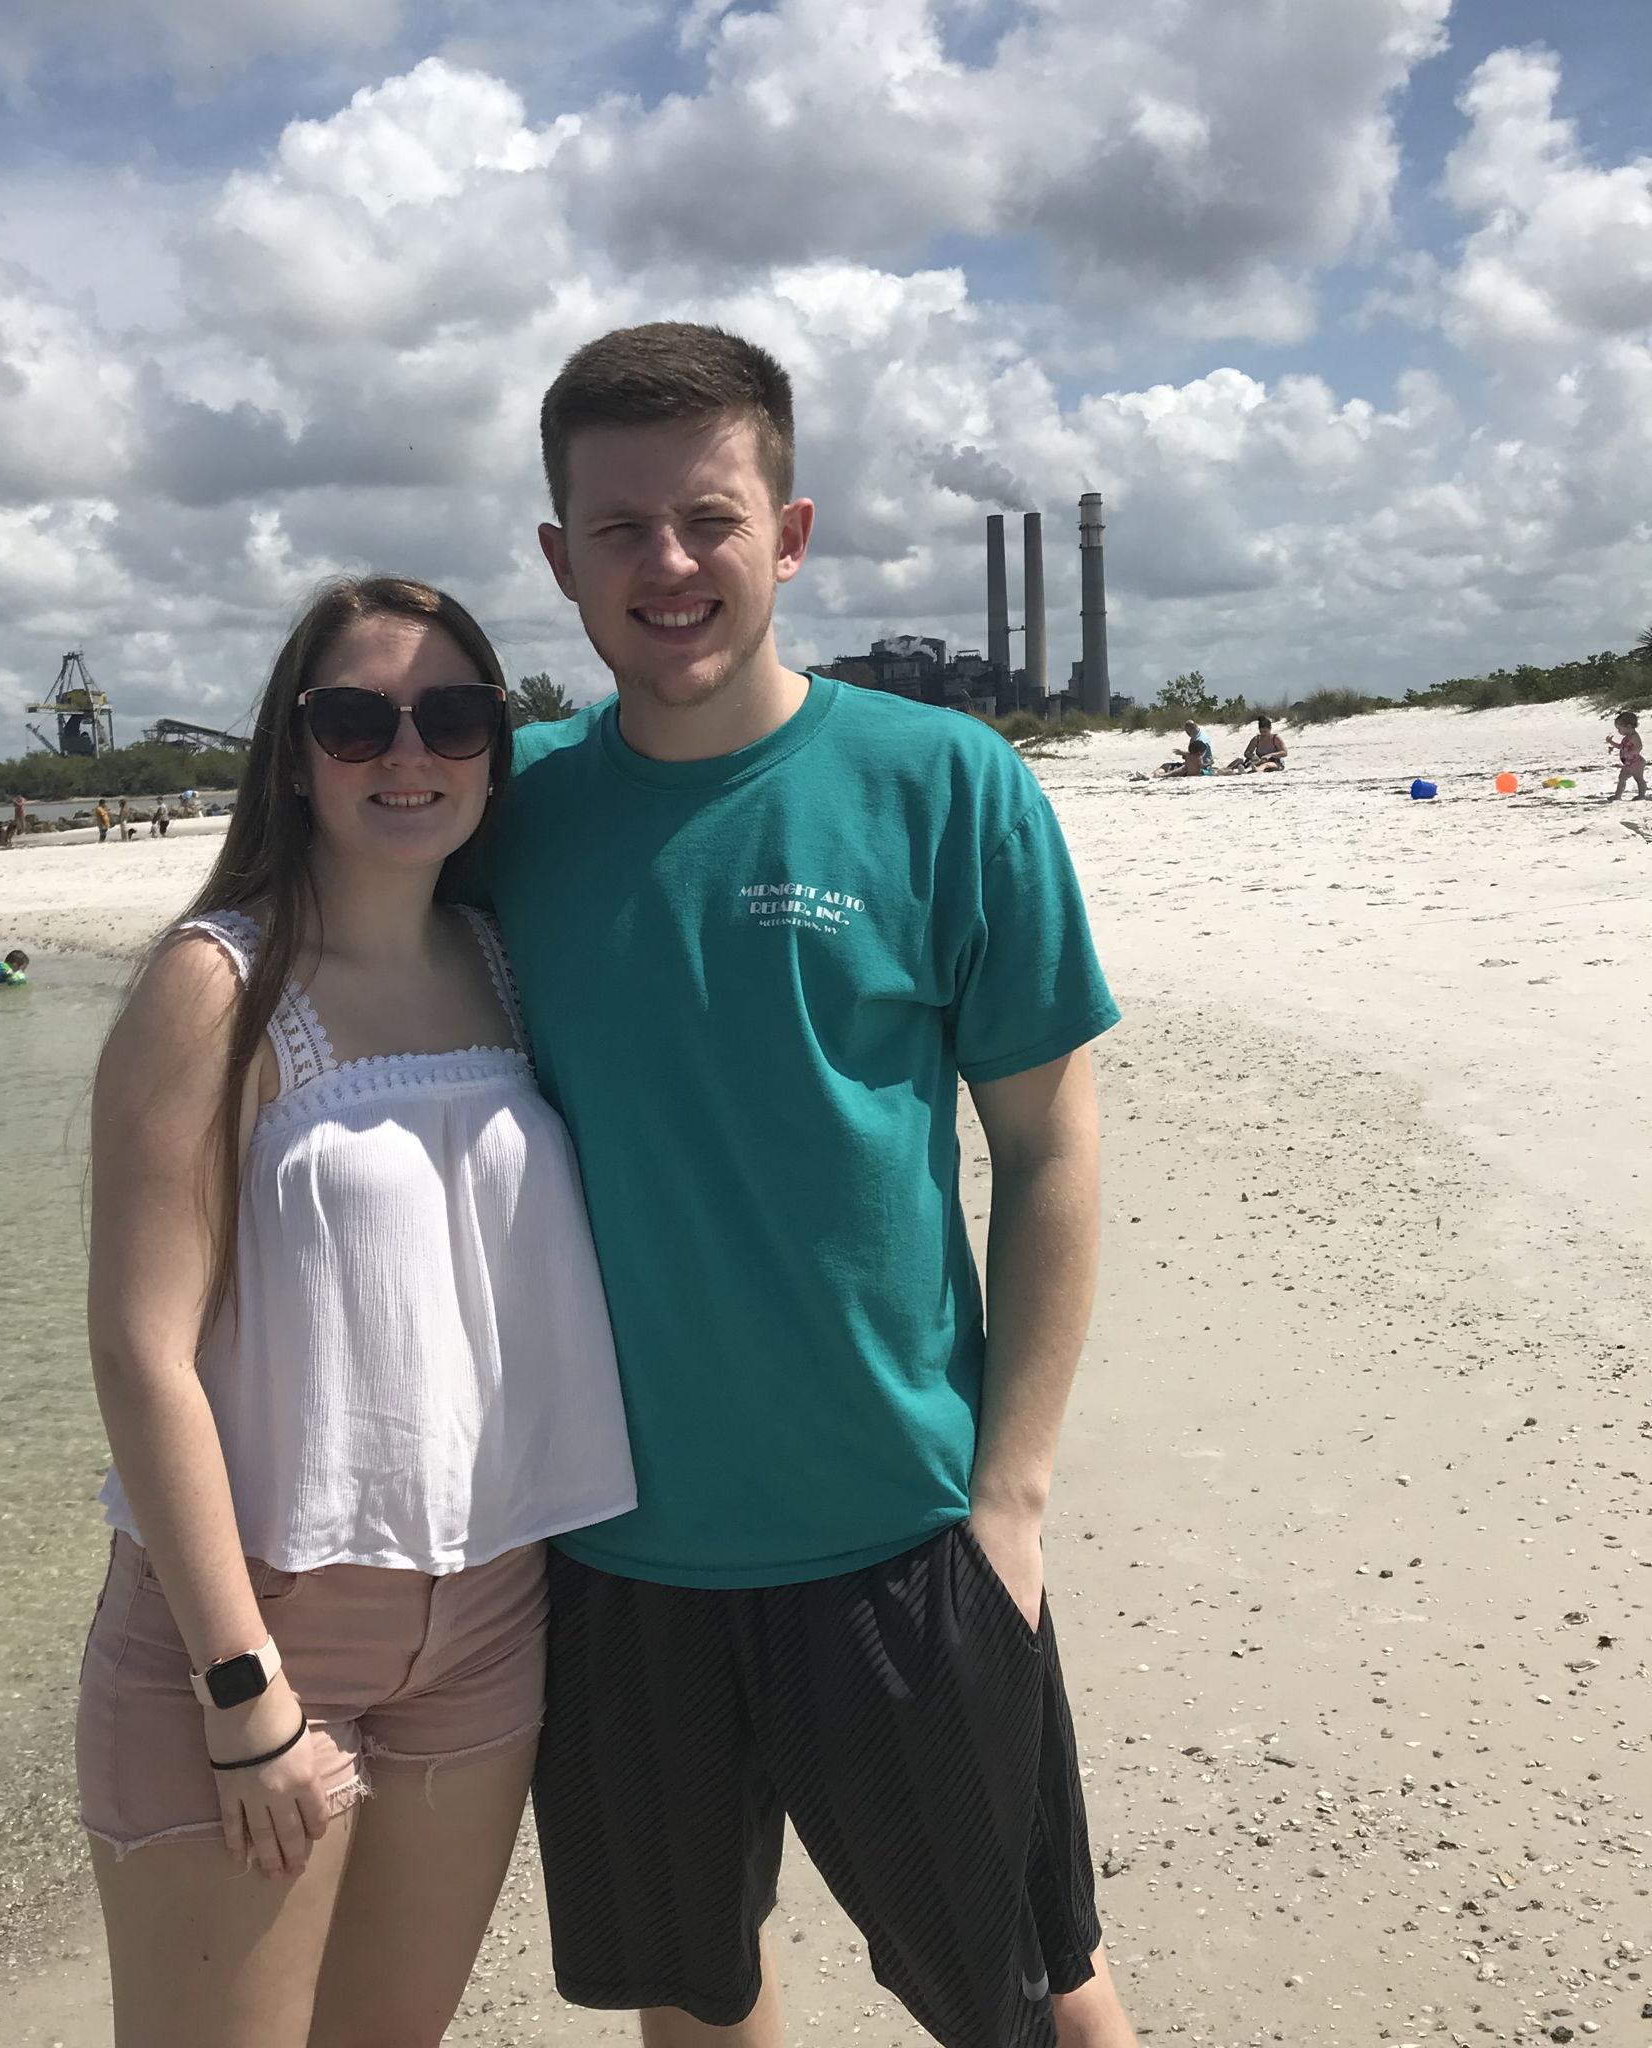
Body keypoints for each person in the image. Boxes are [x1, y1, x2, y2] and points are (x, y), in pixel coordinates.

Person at [460, 322, 1138, 2048]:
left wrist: (1012, 1502)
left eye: (707, 516)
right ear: (557, 559)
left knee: (1032, 1993)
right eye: (616, 528)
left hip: (901, 1531)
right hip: (610, 1551)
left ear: (790, 531)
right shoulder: (501, 818)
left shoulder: (941, 787)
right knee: (693, 1990)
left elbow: (1048, 1154)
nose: (665, 564)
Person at [76, 576, 635, 2048]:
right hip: (258, 1632)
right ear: (291, 748)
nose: (408, 751)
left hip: (492, 1625)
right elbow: (141, 1354)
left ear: (492, 751)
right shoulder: (217, 987)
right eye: (354, 719)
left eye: (451, 715)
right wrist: (240, 1687)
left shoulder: (507, 961)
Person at [1609, 710, 1646, 800]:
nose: (1619, 731)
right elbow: (1620, 746)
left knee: (1639, 779)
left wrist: (1631, 752)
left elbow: (1639, 747)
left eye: (1619, 729)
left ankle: (1641, 795)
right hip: (1628, 763)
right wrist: (1611, 742)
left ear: (1628, 726)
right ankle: (1617, 796)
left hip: (1636, 763)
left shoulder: (1634, 737)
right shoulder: (1626, 738)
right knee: (1622, 777)